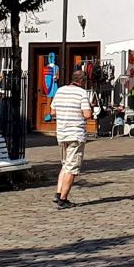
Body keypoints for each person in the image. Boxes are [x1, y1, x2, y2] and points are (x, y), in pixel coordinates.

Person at [50, 66, 92, 208]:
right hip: (75, 134)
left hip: (62, 133)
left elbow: (52, 111)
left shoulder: (60, 91)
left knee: (65, 164)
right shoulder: (81, 93)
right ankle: (63, 199)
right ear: (82, 81)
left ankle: (57, 193)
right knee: (72, 167)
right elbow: (87, 114)